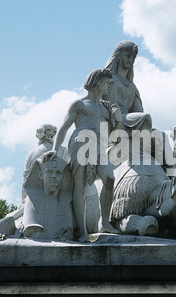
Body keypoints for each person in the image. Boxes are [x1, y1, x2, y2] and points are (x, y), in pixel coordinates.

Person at [44, 68, 121, 242]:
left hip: (100, 145)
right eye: (107, 82)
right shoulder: (79, 104)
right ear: (97, 82)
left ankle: (105, 223)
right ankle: (82, 232)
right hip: (80, 142)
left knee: (109, 178)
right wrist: (55, 149)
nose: (109, 86)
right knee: (80, 187)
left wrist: (116, 118)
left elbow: (114, 133)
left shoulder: (105, 108)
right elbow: (64, 128)